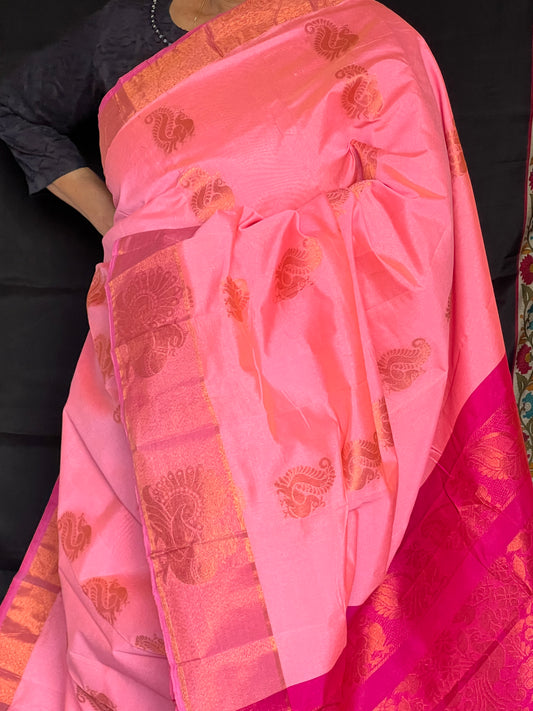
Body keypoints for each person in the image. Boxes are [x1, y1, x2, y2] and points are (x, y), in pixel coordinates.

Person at [1, 0, 533, 709]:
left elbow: (415, 207)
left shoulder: (354, 31)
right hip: (150, 366)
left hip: (305, 397)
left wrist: (245, 264)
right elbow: (18, 108)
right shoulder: (122, 30)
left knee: (292, 586)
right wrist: (119, 227)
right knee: (133, 589)